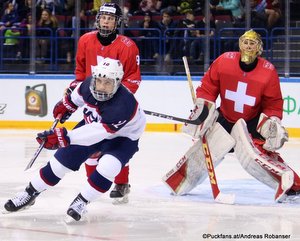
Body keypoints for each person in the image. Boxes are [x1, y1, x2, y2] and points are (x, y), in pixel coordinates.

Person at [163, 29, 300, 203]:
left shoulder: (268, 71)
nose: (248, 46)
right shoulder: (224, 60)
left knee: (255, 157)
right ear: (240, 44)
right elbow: (208, 88)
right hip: (224, 118)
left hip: (249, 123)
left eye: (252, 43)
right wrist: (203, 112)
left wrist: (271, 121)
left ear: (260, 48)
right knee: (205, 154)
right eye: (245, 42)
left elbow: (273, 102)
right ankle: (180, 181)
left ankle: (291, 184)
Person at [4, 58, 146, 221]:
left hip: (123, 137)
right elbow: (75, 98)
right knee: (59, 163)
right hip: (95, 124)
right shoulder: (88, 85)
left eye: (107, 83)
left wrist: (64, 137)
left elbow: (97, 133)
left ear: (118, 82)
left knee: (109, 166)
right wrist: (66, 105)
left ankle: (82, 201)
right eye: (99, 81)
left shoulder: (123, 105)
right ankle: (29, 193)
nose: (101, 86)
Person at [64, 3, 141, 203]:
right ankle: (92, 184)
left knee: (115, 143)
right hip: (91, 101)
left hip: (115, 104)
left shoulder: (127, 46)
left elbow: (133, 78)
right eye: (103, 17)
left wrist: (117, 101)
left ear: (117, 22)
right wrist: (76, 88)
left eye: (110, 18)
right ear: (98, 19)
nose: (106, 21)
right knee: (90, 141)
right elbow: (80, 71)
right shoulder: (85, 40)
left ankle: (122, 183)